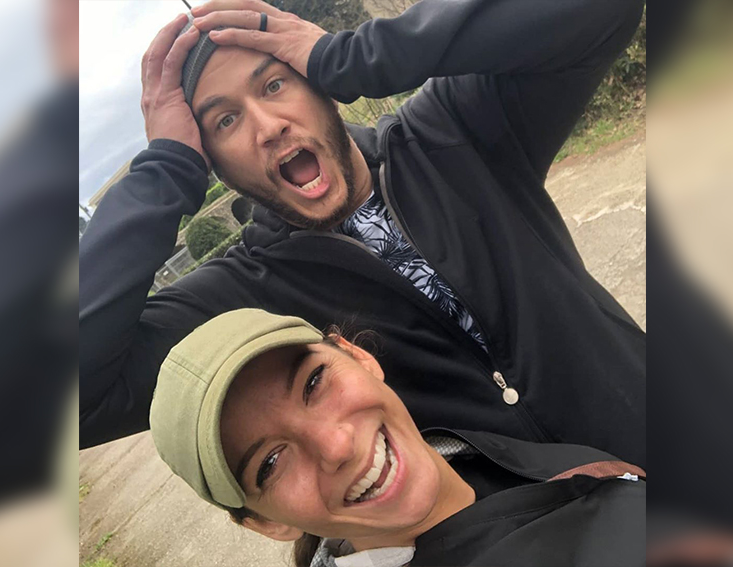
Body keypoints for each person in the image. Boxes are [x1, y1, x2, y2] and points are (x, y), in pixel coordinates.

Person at [80, 0, 647, 468]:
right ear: (216, 167)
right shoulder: (244, 296)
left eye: (275, 85)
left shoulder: (451, 134)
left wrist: (352, 55)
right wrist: (165, 169)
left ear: (320, 84)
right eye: (225, 121)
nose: (268, 126)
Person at [150, 309, 645, 567]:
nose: (338, 446)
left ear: (358, 356)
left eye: (314, 382)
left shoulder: (466, 451)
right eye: (271, 463)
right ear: (265, 524)